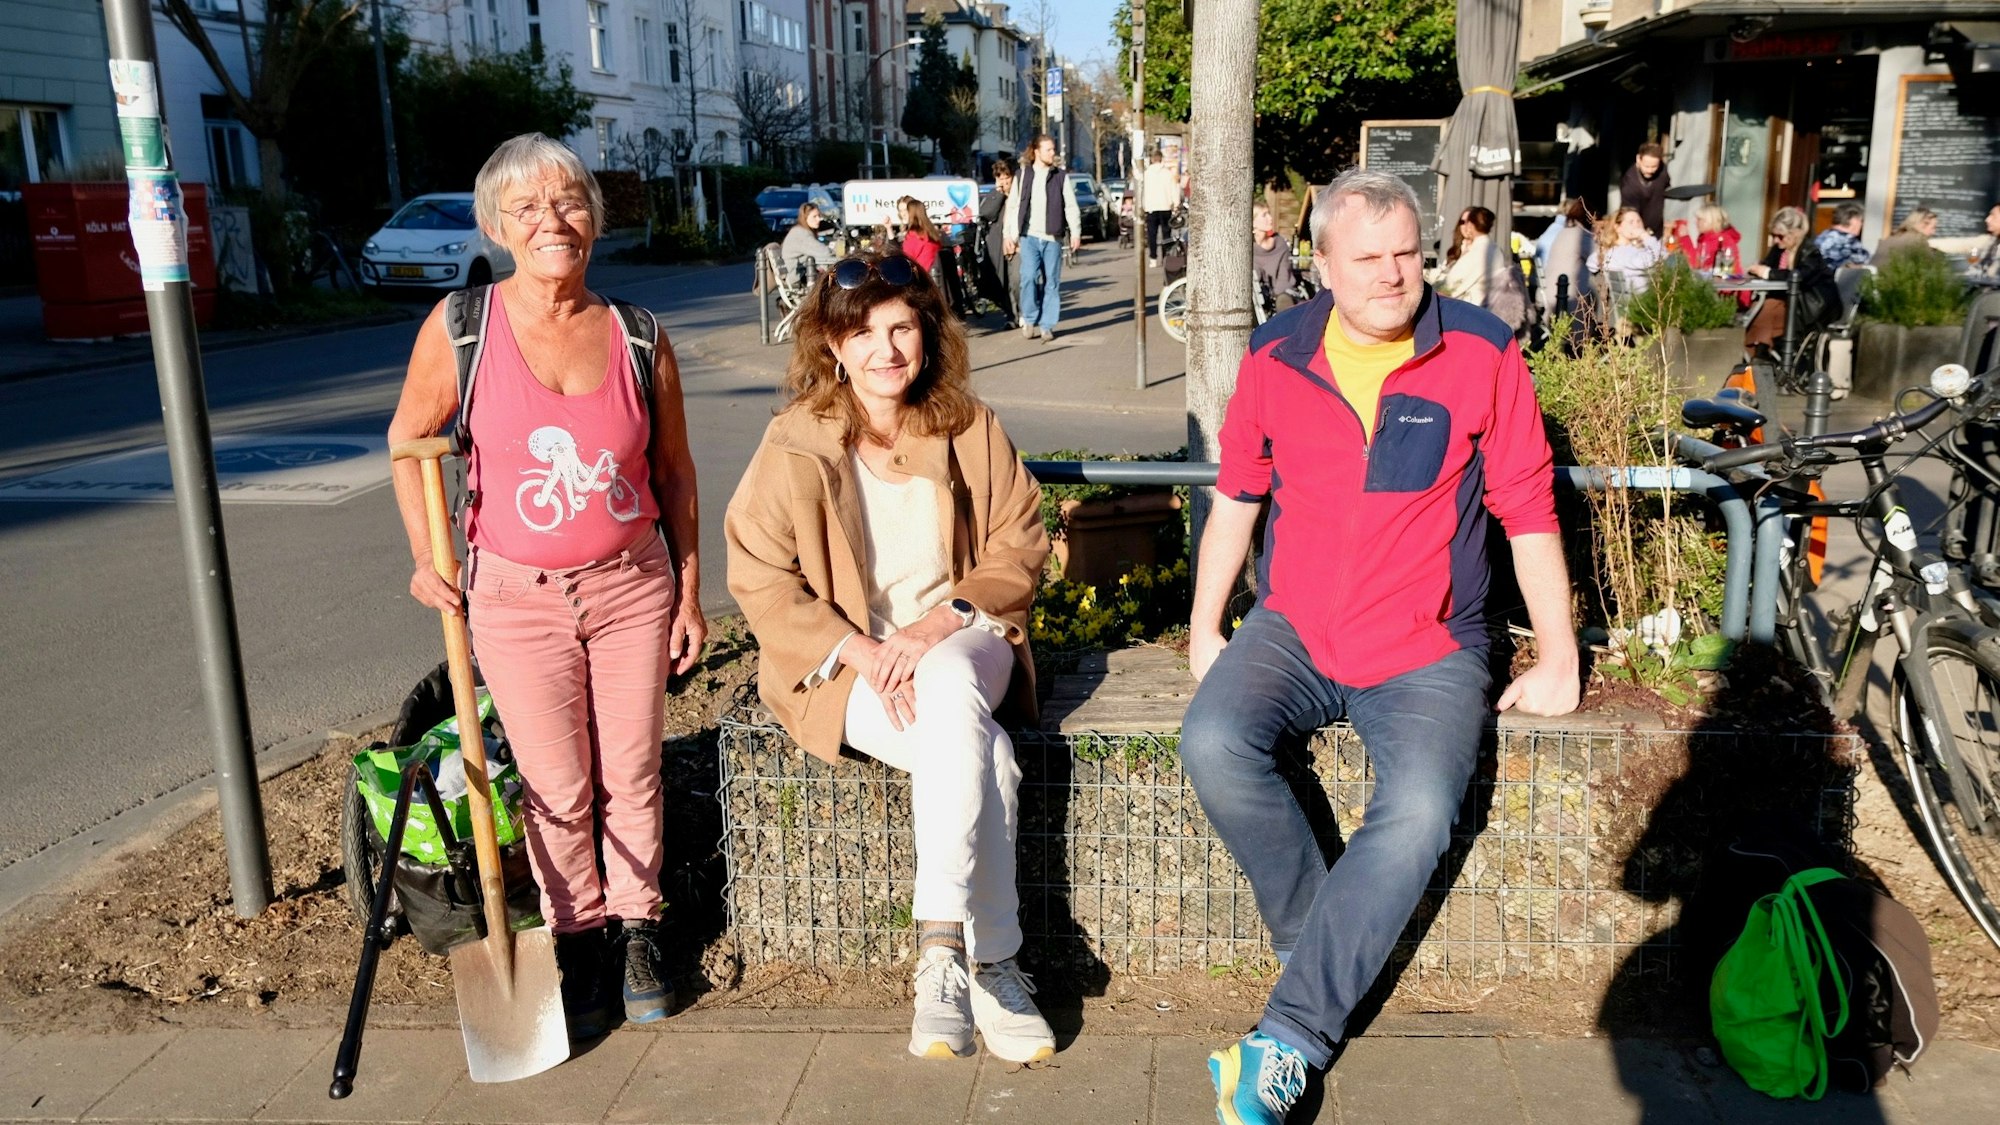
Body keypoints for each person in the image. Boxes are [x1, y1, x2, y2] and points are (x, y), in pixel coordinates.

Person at [1184, 169, 1578, 1124]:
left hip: (1429, 644)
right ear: (1321, 264)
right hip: (1296, 626)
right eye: (1369, 258)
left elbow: (1527, 508)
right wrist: (1205, 623)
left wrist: (1559, 654)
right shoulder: (1276, 355)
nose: (1395, 274)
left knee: (1421, 806)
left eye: (1409, 252)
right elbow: (1236, 498)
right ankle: (1328, 940)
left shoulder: (1483, 350)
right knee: (1211, 741)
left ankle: (1292, 1036)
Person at [385, 133, 707, 1041]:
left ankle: (639, 929)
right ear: (495, 225)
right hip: (514, 598)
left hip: (631, 585)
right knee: (556, 784)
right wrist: (427, 555)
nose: (550, 221)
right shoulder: (462, 328)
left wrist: (688, 592)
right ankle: (579, 938)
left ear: (594, 220)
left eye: (567, 201)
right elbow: (409, 440)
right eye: (525, 208)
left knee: (634, 771)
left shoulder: (639, 334)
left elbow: (675, 473)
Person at [724, 250, 1057, 1065]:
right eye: (863, 332)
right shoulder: (794, 440)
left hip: (965, 637)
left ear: (927, 334)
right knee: (993, 760)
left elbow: (1021, 538)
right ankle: (997, 963)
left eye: (902, 326)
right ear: (832, 345)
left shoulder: (968, 424)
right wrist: (859, 647)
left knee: (947, 682)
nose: (886, 349)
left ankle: (937, 947)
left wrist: (936, 623)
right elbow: (756, 569)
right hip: (852, 664)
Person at [1003, 135, 1083, 343]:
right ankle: (1029, 318)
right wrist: (1009, 235)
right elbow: (1012, 207)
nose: (1052, 153)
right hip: (1028, 236)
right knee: (1028, 278)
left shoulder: (1060, 176)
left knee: (1052, 283)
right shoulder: (1023, 175)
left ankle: (1047, 325)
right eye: (1048, 150)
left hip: (1052, 237)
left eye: (1053, 149)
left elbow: (1071, 205)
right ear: (1037, 151)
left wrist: (1075, 232)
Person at [1744, 205, 1843, 357]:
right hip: (1787, 304)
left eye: (1780, 236)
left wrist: (1767, 272)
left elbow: (1799, 277)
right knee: (1765, 307)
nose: (1775, 240)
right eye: (1773, 235)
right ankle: (1758, 352)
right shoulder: (1779, 249)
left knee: (1767, 310)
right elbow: (1767, 266)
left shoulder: (1810, 252)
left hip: (1811, 308)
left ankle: (1755, 352)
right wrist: (1759, 270)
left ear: (1795, 234)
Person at [977, 160, 1019, 329]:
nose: (1004, 182)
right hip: (998, 247)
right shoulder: (997, 196)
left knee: (1016, 281)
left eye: (1007, 178)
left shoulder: (1019, 197)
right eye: (1000, 178)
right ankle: (1011, 316)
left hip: (1017, 245)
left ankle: (1022, 313)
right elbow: (986, 213)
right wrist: (999, 193)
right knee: (1003, 283)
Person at [1590, 206, 1666, 296]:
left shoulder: (1609, 251)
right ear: (1618, 228)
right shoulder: (1623, 252)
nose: (1637, 225)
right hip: (1641, 302)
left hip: (1627, 302)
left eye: (1638, 221)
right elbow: (1655, 260)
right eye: (1631, 222)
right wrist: (1645, 236)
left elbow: (1591, 263)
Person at [1539, 197, 1595, 317]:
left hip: (1551, 295)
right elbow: (1602, 262)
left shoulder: (1562, 232)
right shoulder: (1581, 237)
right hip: (1570, 303)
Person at [1439, 206, 1501, 306]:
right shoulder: (1491, 249)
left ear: (1471, 225)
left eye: (1468, 222)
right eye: (1462, 222)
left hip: (1470, 310)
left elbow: (1450, 286)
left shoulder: (1480, 251)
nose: (1465, 226)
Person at [1250, 202, 1298, 316]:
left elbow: (1284, 278)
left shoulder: (1279, 243)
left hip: (1282, 294)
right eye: (1264, 215)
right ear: (1253, 223)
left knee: (1284, 302)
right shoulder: (1248, 250)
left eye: (1269, 214)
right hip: (1259, 300)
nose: (1270, 218)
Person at [1619, 141, 1670, 236]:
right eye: (1646, 166)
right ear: (1638, 159)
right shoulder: (1630, 182)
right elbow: (1630, 212)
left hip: (1658, 229)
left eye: (1654, 166)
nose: (1650, 170)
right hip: (1636, 231)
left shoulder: (1662, 172)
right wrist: (1640, 233)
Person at [781, 201, 836, 286]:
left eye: (819, 216)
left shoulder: (799, 230)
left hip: (800, 272)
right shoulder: (800, 233)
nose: (818, 219)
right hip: (798, 276)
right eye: (814, 216)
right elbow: (824, 252)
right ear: (805, 218)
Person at [1141, 152, 1181, 267]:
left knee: (1152, 234)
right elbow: (1174, 189)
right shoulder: (1167, 173)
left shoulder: (1147, 174)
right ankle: (1165, 257)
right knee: (1166, 234)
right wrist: (1176, 204)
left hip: (1151, 207)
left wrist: (1143, 206)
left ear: (1152, 159)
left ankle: (1153, 258)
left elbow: (1142, 191)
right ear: (1161, 159)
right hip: (1165, 206)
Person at [1874, 208, 1940, 262]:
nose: (1933, 232)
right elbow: (1931, 269)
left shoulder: (1890, 238)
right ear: (1922, 225)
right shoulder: (1919, 242)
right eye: (1933, 227)